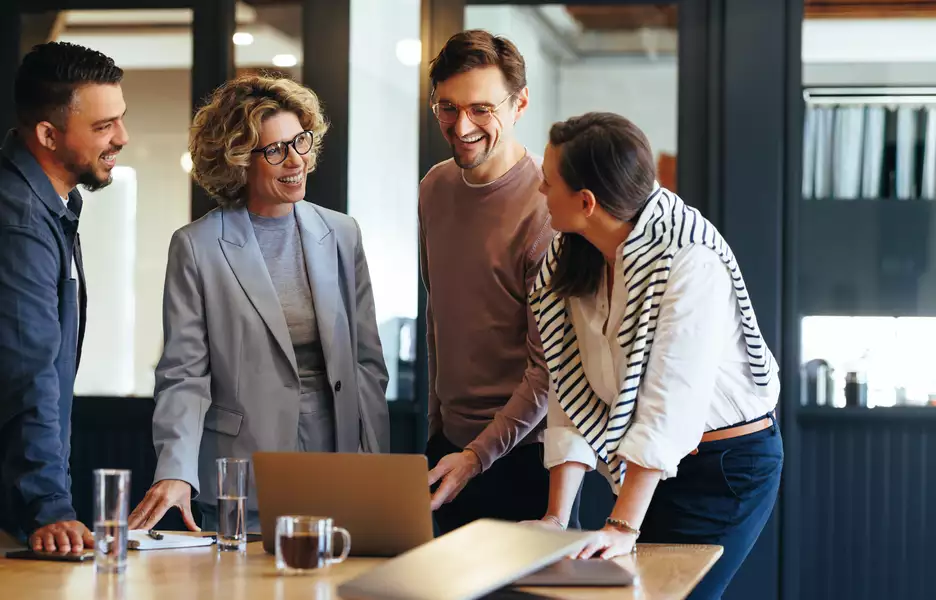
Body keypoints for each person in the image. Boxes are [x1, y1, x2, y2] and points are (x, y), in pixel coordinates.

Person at [528, 112, 782, 600]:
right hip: (654, 468)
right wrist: (556, 519)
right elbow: (569, 384)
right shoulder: (573, 253)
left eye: (548, 182)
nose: (540, 191)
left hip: (726, 468)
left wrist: (622, 524)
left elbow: (672, 406)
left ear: (586, 202)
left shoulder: (690, 260)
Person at [128, 74, 389, 533]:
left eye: (301, 142)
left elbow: (367, 365)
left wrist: (375, 468)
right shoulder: (197, 246)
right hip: (242, 473)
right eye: (275, 150)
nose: (296, 161)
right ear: (238, 161)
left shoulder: (342, 233)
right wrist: (176, 469)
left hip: (339, 467)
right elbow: (183, 374)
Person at [420, 29, 568, 534]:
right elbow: (437, 314)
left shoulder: (549, 210)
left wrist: (477, 456)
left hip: (524, 458)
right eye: (447, 108)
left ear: (520, 103)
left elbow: (548, 370)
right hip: (446, 451)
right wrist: (440, 432)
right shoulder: (434, 187)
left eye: (482, 109)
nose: (461, 126)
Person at [0, 42, 127, 552]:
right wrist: (48, 507)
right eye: (103, 127)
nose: (122, 137)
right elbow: (25, 373)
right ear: (48, 135)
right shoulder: (20, 220)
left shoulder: (49, 204)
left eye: (120, 119)